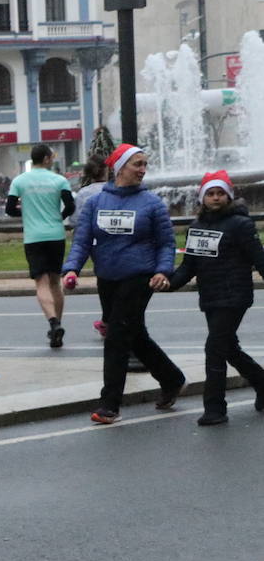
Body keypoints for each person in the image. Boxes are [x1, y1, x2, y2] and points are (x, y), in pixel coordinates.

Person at [62, 143, 185, 425]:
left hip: (140, 277)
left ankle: (109, 404)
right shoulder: (96, 202)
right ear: (119, 168)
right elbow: (82, 241)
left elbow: (167, 243)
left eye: (145, 164)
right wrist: (71, 270)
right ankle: (172, 378)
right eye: (137, 164)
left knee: (117, 336)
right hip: (107, 276)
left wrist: (163, 270)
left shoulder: (152, 203)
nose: (143, 170)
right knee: (135, 334)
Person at [168, 171, 264, 426]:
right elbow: (188, 267)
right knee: (228, 348)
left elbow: (259, 258)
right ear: (202, 198)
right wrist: (167, 283)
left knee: (214, 349)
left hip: (235, 296)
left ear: (229, 196)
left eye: (221, 193)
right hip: (211, 296)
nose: (216, 198)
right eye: (210, 194)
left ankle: (215, 408)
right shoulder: (196, 228)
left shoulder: (240, 224)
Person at [6, 145, 77, 348]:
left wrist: (28, 213)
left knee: (41, 283)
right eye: (51, 157)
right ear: (46, 159)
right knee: (55, 281)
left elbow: (10, 209)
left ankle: (53, 323)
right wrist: (58, 217)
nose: (52, 160)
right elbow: (70, 206)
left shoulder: (19, 181)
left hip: (34, 236)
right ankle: (58, 323)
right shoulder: (59, 180)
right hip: (55, 235)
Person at [74, 156, 111, 338]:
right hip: (112, 239)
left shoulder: (83, 194)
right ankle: (109, 318)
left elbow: (78, 220)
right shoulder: (113, 190)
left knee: (103, 279)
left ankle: (107, 319)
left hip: (93, 242)